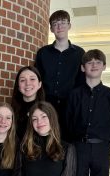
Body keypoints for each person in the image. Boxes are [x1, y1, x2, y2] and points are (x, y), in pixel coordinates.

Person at [35, 9, 85, 139]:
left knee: (67, 142)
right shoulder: (42, 53)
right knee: (45, 139)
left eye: (63, 22)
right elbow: (37, 80)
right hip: (46, 105)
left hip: (70, 106)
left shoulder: (80, 54)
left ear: (69, 25)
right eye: (55, 23)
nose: (59, 26)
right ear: (51, 28)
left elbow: (81, 82)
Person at [11, 65, 45, 140]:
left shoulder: (47, 110)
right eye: (23, 80)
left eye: (32, 79)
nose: (28, 83)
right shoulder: (11, 110)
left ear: (39, 84)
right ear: (18, 87)